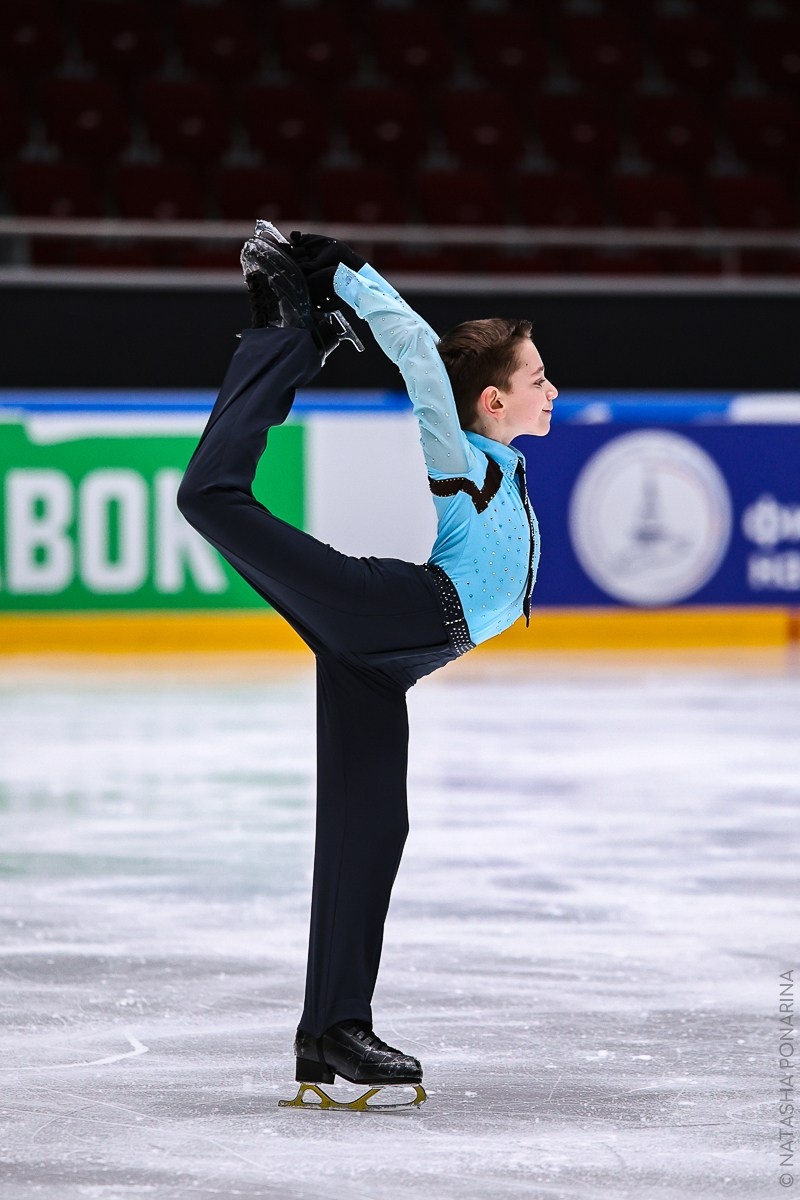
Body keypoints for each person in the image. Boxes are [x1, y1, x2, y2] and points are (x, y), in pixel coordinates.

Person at [176, 220, 558, 1103]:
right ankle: (284, 335)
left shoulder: (504, 465)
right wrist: (349, 274)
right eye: (537, 377)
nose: (553, 388)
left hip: (385, 664)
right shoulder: (464, 461)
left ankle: (331, 1032)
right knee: (210, 496)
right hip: (390, 611)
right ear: (493, 400)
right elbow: (422, 357)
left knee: (374, 829)